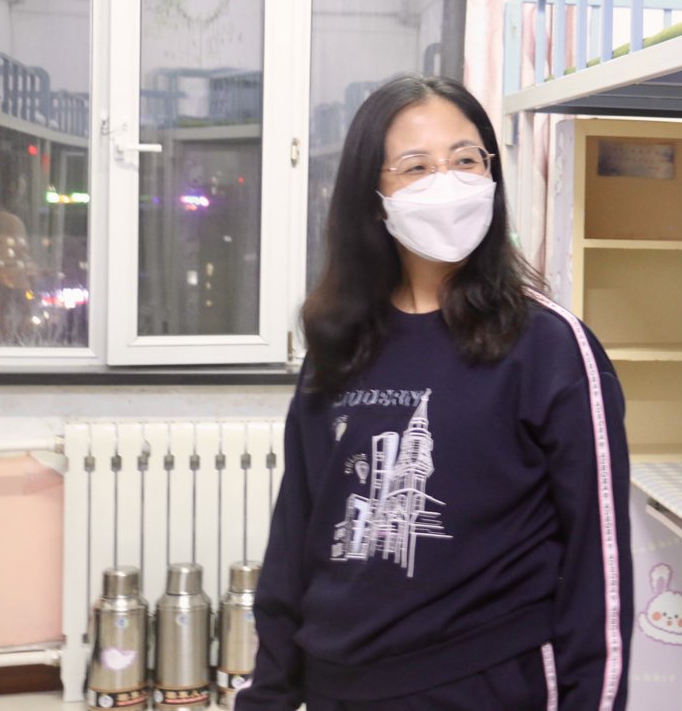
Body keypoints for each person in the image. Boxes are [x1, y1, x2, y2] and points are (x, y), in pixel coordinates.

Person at [236, 74, 632, 711]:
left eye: (466, 160)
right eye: (416, 167)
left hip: (485, 684)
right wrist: (269, 695)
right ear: (373, 199)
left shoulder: (550, 347)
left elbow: (599, 565)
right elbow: (294, 542)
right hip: (338, 685)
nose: (447, 183)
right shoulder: (339, 344)